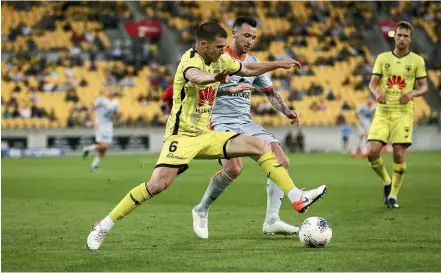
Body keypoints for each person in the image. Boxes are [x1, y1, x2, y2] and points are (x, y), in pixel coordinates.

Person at [86, 21, 327, 250]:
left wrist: (278, 64)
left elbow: (248, 68)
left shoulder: (220, 59)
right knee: (158, 184)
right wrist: (215, 78)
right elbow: (195, 77)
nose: (224, 52)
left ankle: (297, 197)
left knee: (262, 145)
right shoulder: (189, 61)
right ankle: (104, 225)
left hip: (207, 134)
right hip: (181, 137)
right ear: (204, 45)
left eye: (224, 47)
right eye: (219, 47)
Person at [192, 17, 301, 238]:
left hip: (245, 122)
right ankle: (201, 209)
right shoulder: (217, 57)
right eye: (246, 36)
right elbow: (199, 89)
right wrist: (228, 90)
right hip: (220, 121)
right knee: (233, 168)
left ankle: (272, 220)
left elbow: (270, 92)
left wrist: (287, 111)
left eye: (253, 37)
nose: (250, 40)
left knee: (282, 161)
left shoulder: (253, 61)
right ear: (234, 34)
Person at [367, 21, 427, 209]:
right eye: (399, 35)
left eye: (405, 36)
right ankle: (387, 181)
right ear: (394, 36)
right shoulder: (383, 58)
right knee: (371, 152)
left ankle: (393, 195)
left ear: (410, 39)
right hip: (383, 112)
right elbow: (372, 83)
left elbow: (424, 87)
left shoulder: (417, 61)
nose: (402, 38)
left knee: (399, 153)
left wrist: (412, 93)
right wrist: (377, 94)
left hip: (403, 112)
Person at [82, 85, 120, 171]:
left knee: (104, 149)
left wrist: (117, 116)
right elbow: (91, 109)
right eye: (110, 89)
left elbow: (116, 114)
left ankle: (94, 166)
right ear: (107, 91)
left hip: (109, 125)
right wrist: (92, 120)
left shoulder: (116, 101)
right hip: (100, 124)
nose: (111, 91)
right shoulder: (101, 100)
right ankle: (88, 148)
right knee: (104, 145)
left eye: (113, 89)